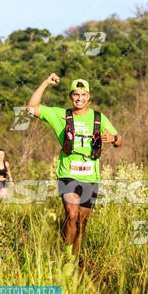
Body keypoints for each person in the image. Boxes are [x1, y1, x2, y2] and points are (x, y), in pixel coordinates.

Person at [26, 74, 122, 269]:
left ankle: (75, 256)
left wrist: (112, 139)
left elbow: (119, 140)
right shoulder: (61, 115)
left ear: (88, 97)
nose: (79, 98)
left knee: (82, 221)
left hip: (90, 175)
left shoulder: (98, 117)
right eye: (76, 94)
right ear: (71, 96)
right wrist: (45, 82)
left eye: (83, 94)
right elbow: (31, 108)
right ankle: (67, 257)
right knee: (71, 214)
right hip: (67, 173)